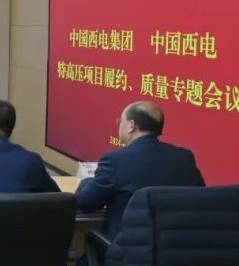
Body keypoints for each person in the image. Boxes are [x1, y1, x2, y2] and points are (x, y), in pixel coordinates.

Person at [76, 101, 205, 238]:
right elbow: (199, 197)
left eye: (121, 121)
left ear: (131, 125)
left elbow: (86, 202)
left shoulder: (114, 161)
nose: (119, 125)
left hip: (127, 245)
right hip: (174, 244)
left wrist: (86, 182)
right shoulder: (184, 158)